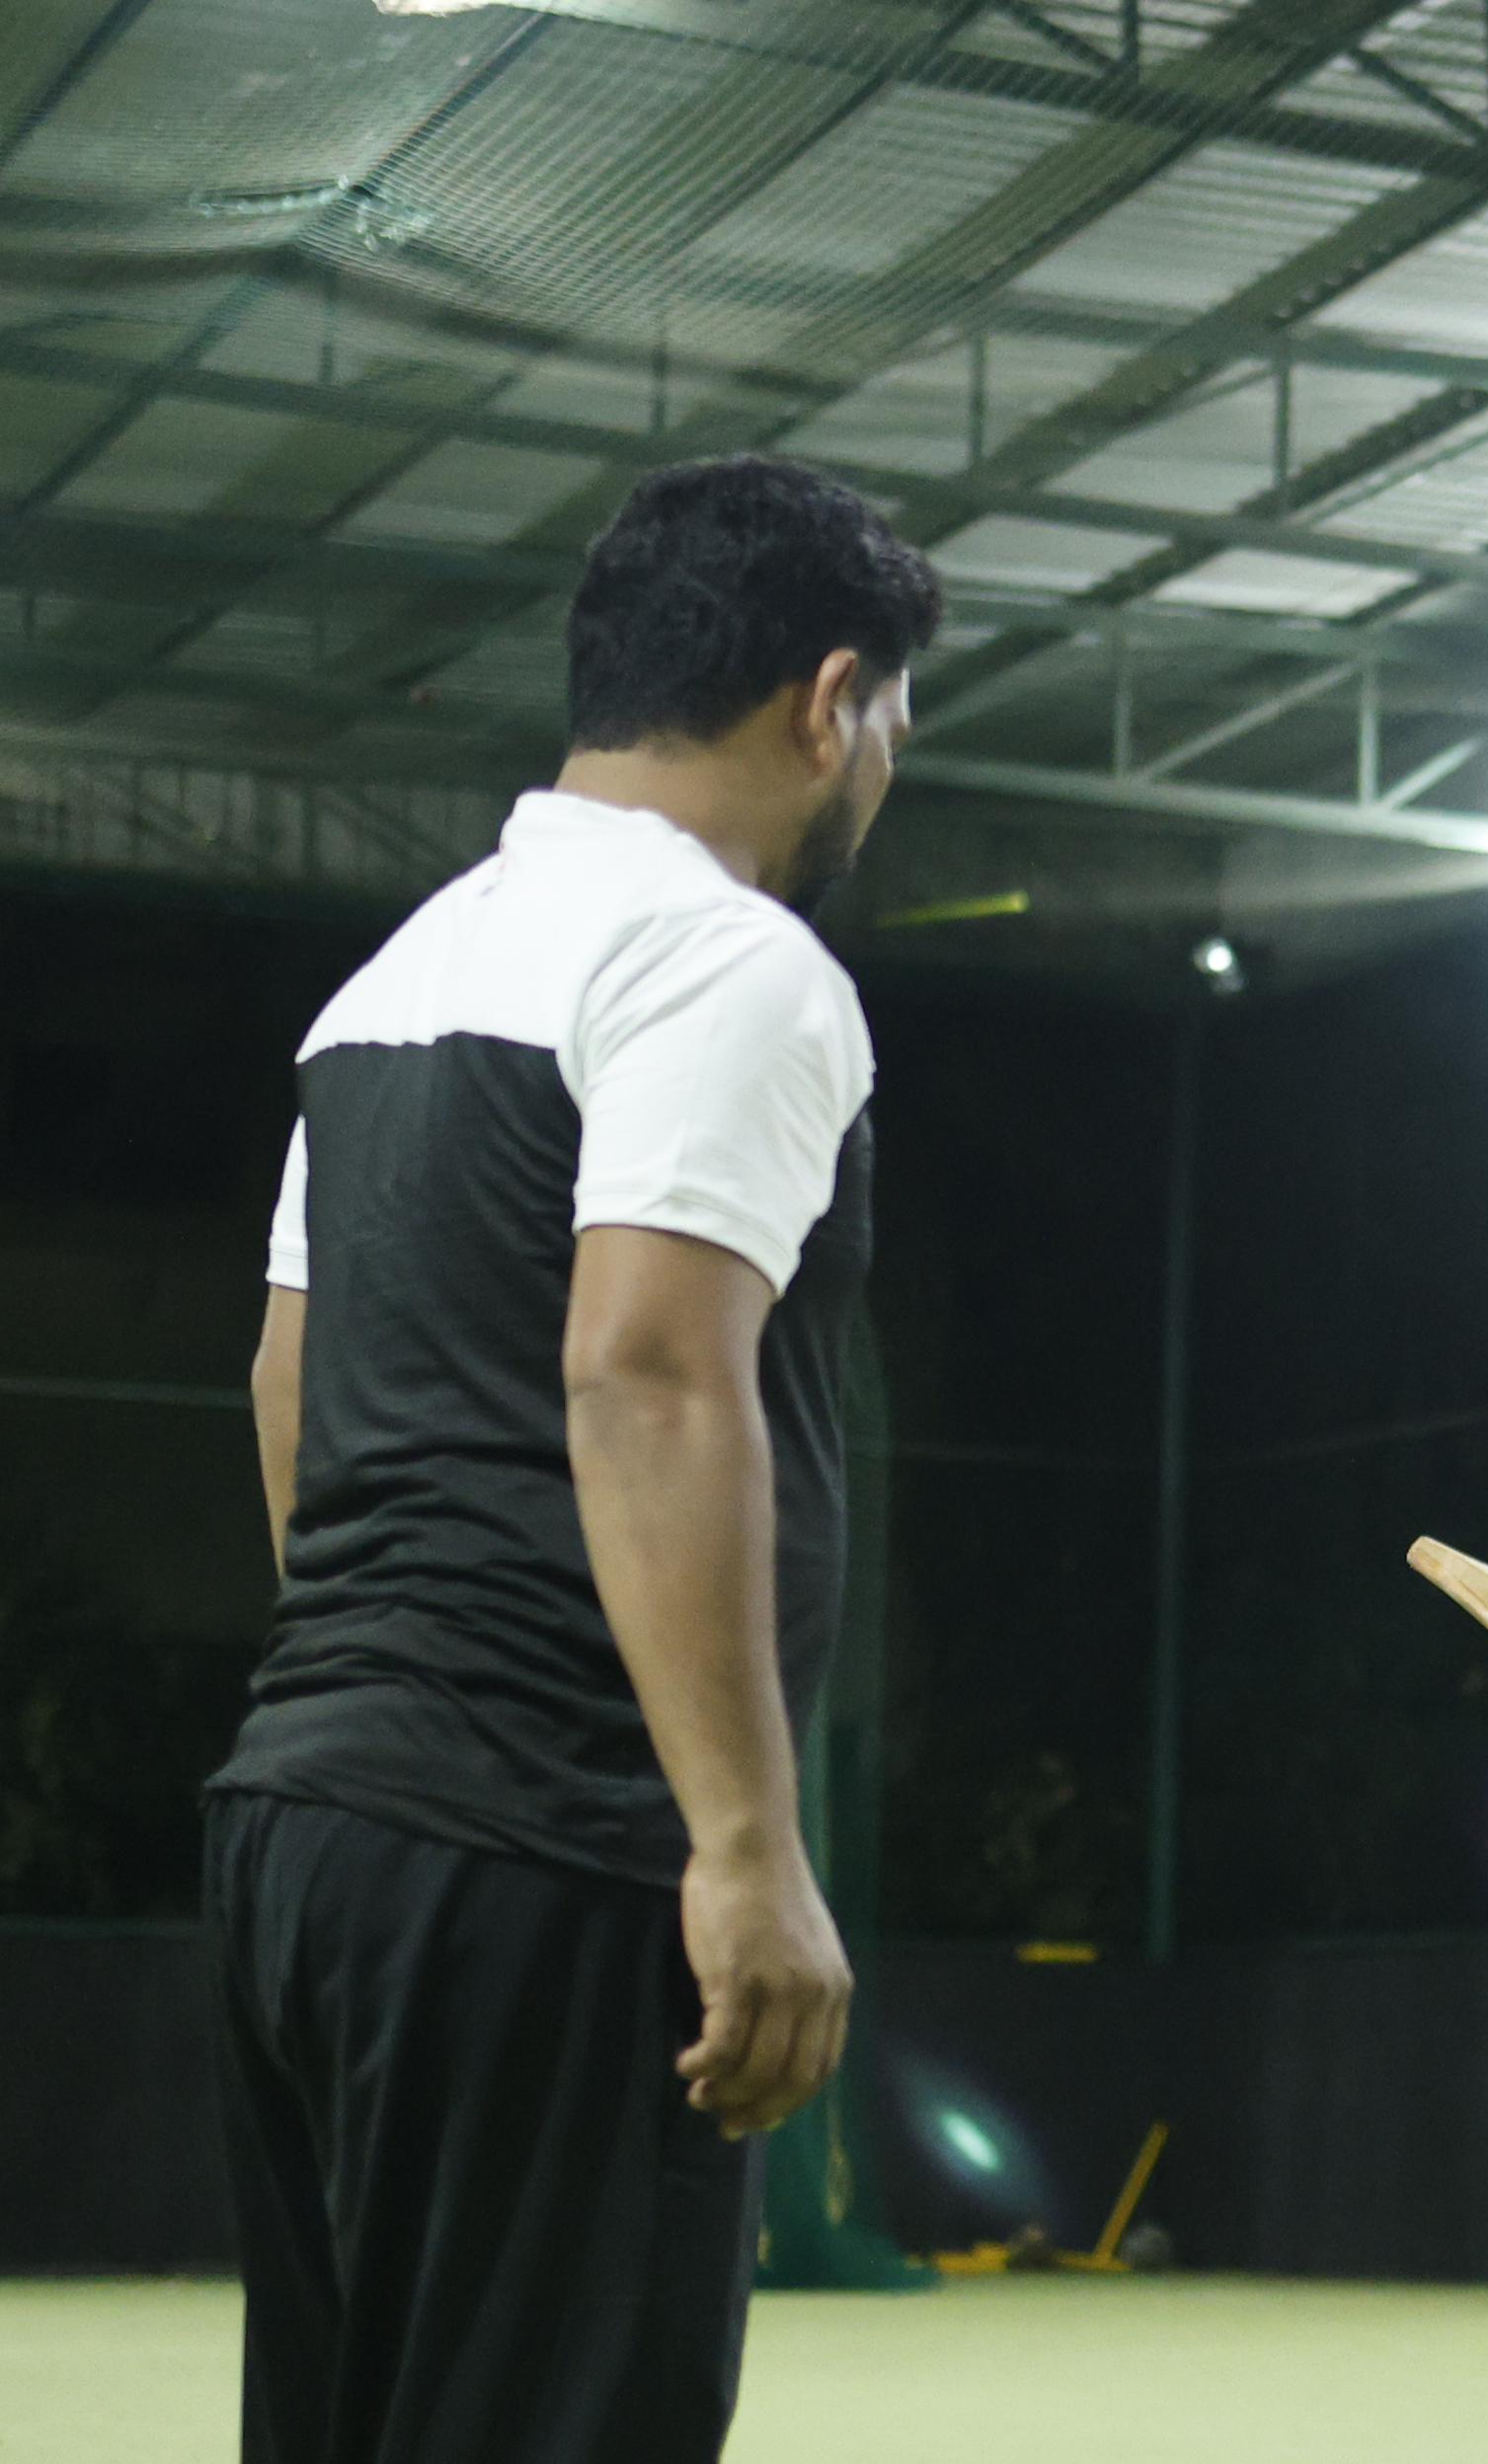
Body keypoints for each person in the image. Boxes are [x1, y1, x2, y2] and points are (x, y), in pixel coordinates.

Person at [207, 454, 938, 2463]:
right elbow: (647, 1373)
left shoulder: (392, 984)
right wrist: (747, 1848)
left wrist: (386, 1704)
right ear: (828, 700)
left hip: (309, 1827)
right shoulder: (731, 961)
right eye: (895, 722)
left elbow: (286, 1385)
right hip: (551, 1852)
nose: (887, 769)